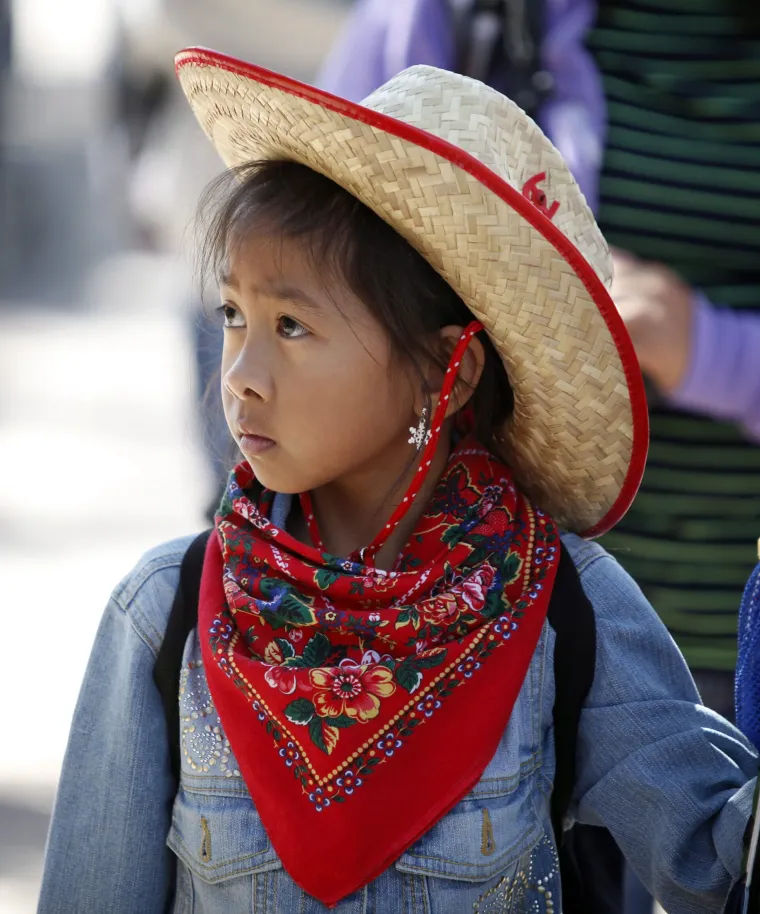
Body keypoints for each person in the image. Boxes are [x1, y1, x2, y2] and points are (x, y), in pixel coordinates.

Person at [37, 49, 758, 914]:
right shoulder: (169, 613)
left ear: (446, 373)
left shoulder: (562, 605)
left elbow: (718, 863)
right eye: (234, 316)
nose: (241, 375)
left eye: (293, 325)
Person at [318, 0, 760, 726]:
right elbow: (314, 271)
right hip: (504, 634)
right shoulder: (456, 15)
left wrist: (712, 352)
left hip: (734, 654)